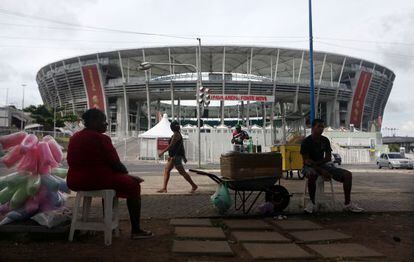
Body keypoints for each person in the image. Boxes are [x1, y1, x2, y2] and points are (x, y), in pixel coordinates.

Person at [66, 108, 153, 239]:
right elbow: (116, 164)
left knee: (110, 185)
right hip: (96, 180)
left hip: (74, 181)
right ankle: (136, 230)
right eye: (103, 121)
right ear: (93, 121)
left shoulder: (74, 137)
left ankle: (109, 223)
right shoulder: (101, 138)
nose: (106, 124)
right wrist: (127, 175)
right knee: (134, 185)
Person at [300, 118, 364, 213]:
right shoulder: (306, 142)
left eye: (322, 126)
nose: (321, 129)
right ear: (313, 128)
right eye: (319, 126)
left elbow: (328, 158)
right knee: (312, 175)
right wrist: (320, 170)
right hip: (308, 167)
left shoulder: (325, 140)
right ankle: (312, 203)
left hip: (323, 165)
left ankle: (347, 204)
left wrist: (321, 166)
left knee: (347, 175)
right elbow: (306, 161)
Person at [157, 121, 198, 193]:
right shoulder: (176, 134)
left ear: (172, 128)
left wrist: (162, 152)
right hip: (173, 157)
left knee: (182, 172)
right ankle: (164, 188)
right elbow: (180, 147)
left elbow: (171, 146)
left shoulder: (176, 135)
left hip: (176, 157)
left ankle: (194, 186)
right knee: (167, 170)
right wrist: (182, 156)